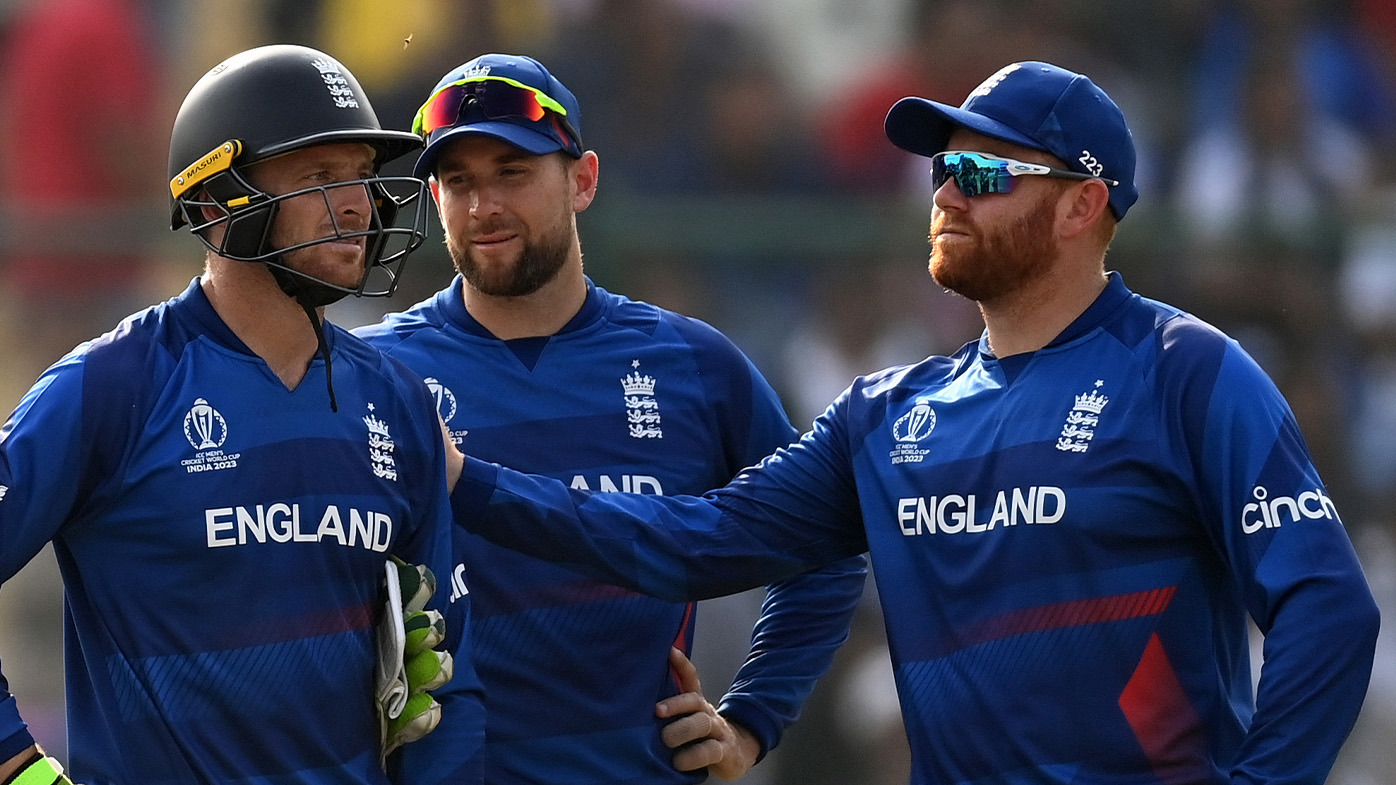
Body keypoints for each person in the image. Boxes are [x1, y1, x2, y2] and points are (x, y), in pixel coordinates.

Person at [446, 61, 1382, 784]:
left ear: (1083, 205)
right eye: (942, 169)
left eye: (980, 170)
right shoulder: (885, 416)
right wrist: (470, 483)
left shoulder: (1186, 372)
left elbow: (1328, 605)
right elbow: (696, 538)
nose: (944, 192)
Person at [355, 53, 867, 784]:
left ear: (583, 179)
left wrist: (750, 718)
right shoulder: (373, 375)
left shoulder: (693, 365)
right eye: (458, 182)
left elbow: (824, 542)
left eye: (512, 171)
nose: (483, 206)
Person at [0, 45, 484, 785]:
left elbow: (451, 687)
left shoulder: (401, 404)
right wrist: (19, 767)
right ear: (218, 201)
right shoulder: (109, 388)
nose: (358, 203)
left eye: (359, 174)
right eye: (320, 177)